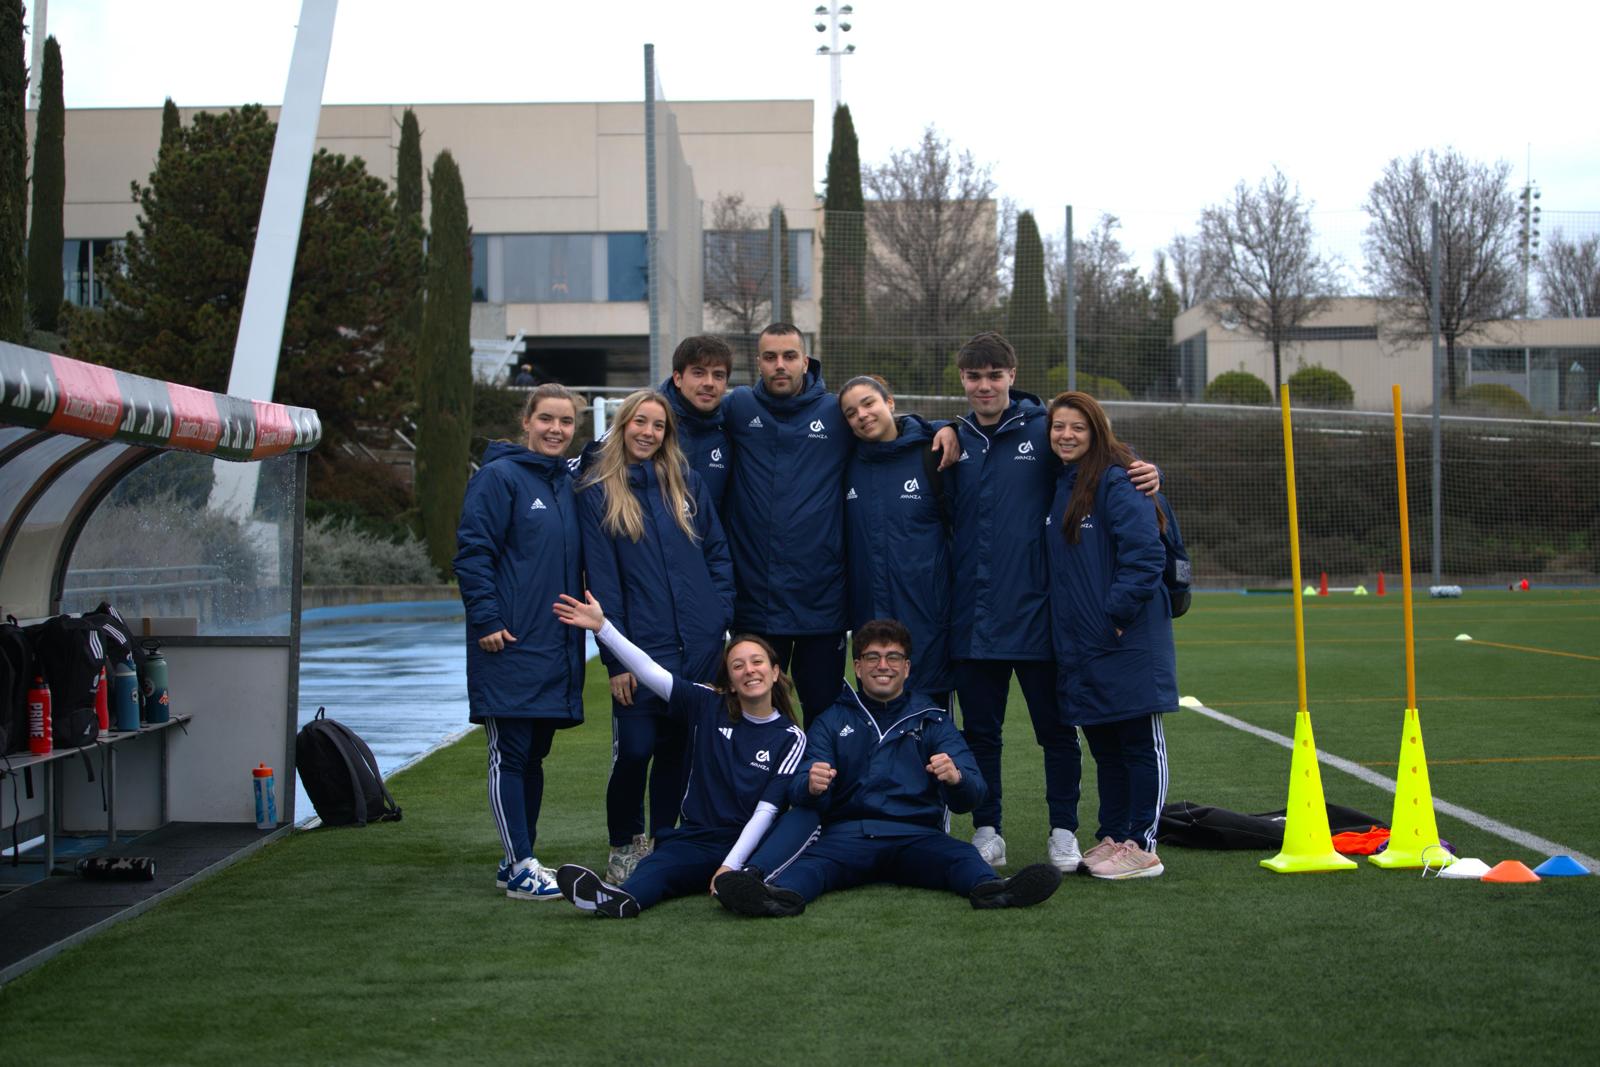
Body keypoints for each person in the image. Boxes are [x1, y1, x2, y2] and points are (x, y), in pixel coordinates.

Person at [932, 332, 1159, 875]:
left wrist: (1151, 474)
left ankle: (1064, 831)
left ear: (1013, 374)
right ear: (962, 380)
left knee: (1056, 734)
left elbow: (1103, 459)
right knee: (980, 735)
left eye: (994, 374)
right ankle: (988, 831)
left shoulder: (1045, 428)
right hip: (973, 621)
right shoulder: (952, 437)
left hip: (1040, 619)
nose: (984, 385)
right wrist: (933, 426)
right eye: (973, 376)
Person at [712, 619, 1063, 917]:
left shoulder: (933, 720)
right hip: (849, 835)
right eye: (873, 657)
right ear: (858, 667)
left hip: (915, 834)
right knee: (811, 869)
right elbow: (800, 788)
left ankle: (996, 890)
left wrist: (956, 779)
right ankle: (774, 900)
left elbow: (972, 794)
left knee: (961, 856)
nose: (883, 665)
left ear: (907, 668)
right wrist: (811, 784)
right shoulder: (831, 720)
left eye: (893, 657)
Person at [550, 591, 809, 919]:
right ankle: (617, 900)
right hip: (697, 839)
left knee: (755, 868)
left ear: (774, 672)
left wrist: (729, 866)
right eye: (737, 666)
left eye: (757, 662)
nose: (749, 671)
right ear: (729, 682)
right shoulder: (707, 704)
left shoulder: (791, 737)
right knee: (657, 869)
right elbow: (651, 673)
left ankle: (742, 886)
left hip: (751, 845)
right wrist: (603, 628)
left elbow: (766, 811)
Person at [576, 389, 735, 884]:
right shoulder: (597, 491)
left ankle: (666, 841)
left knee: (679, 752)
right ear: (623, 426)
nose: (648, 432)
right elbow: (602, 582)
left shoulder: (686, 484)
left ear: (668, 434)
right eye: (639, 423)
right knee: (637, 748)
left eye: (658, 425)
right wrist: (615, 659)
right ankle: (625, 842)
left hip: (700, 647)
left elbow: (718, 555)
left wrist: (719, 616)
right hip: (640, 650)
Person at [454, 383, 586, 901]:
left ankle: (520, 858)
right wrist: (486, 620)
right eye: (547, 419)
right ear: (526, 421)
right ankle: (517, 862)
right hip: (506, 643)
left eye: (567, 421)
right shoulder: (498, 477)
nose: (556, 429)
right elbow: (473, 553)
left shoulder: (566, 484)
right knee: (509, 754)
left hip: (554, 648)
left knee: (533, 757)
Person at [1045, 392, 1176, 879]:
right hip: (1082, 641)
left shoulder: (1118, 480)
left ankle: (1143, 844)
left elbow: (1145, 556)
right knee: (1105, 745)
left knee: (1139, 742)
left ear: (1097, 429)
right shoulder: (1063, 484)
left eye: (1077, 426)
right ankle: (1115, 835)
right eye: (1058, 427)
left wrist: (1116, 615)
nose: (1066, 435)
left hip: (1124, 637)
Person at [720, 323, 853, 727]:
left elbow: (887, 426)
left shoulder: (836, 411)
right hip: (756, 601)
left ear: (805, 361)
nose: (780, 365)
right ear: (757, 362)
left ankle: (820, 791)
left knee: (823, 715)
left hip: (821, 600)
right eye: (770, 357)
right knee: (754, 713)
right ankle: (761, 791)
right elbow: (681, 409)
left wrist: (941, 431)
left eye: (789, 356)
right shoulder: (738, 407)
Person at [838, 375, 954, 707]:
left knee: (933, 737)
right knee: (878, 732)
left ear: (890, 403)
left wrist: (949, 427)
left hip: (927, 621)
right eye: (850, 413)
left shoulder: (932, 454)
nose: (861, 415)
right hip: (869, 620)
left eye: (868, 403)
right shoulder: (847, 464)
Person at [659, 335, 734, 507]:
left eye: (718, 375)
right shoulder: (647, 423)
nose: (709, 383)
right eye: (698, 373)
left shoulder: (732, 427)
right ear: (678, 379)